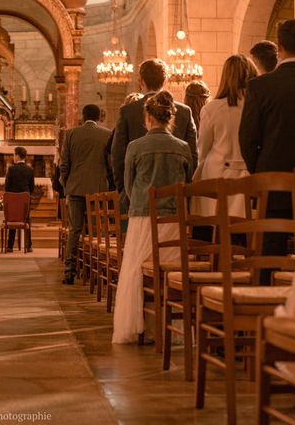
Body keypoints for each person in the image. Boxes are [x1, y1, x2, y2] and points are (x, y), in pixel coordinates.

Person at [112, 91, 193, 344]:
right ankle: (171, 327)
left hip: (142, 217)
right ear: (171, 118)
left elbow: (128, 183)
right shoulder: (183, 147)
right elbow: (187, 183)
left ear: (147, 117)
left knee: (137, 270)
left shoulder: (135, 147)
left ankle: (138, 327)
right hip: (173, 220)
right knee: (170, 272)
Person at [240, 18, 295, 257]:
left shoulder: (260, 86)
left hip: (272, 182)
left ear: (279, 46)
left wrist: (260, 173)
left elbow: (248, 139)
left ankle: (267, 292)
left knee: (270, 252)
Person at [111, 59, 198, 207]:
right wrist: (186, 191)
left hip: (139, 197)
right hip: (175, 197)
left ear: (141, 81)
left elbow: (118, 156)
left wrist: (125, 193)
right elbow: (193, 157)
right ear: (165, 81)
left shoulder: (128, 111)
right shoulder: (184, 112)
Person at [192, 55, 257, 217]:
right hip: (249, 175)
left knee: (216, 223)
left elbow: (203, 147)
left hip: (217, 175)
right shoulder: (257, 106)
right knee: (245, 224)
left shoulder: (212, 109)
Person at [60, 104, 112, 284]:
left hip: (75, 189)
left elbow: (64, 164)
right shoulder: (107, 134)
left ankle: (69, 272)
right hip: (98, 190)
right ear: (99, 117)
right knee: (98, 231)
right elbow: (110, 164)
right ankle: (96, 272)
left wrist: (67, 185)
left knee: (75, 230)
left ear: (82, 116)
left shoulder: (71, 134)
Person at [4, 147, 35, 252]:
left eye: (13, 155)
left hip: (12, 198)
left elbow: (7, 187)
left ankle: (10, 246)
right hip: (26, 198)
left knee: (13, 219)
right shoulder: (30, 169)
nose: (13, 157)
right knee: (26, 219)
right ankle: (29, 245)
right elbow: (32, 188)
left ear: (17, 156)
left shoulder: (11, 169)